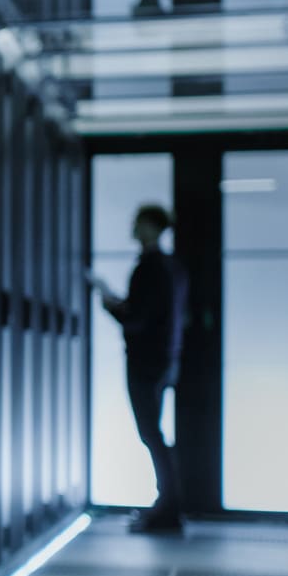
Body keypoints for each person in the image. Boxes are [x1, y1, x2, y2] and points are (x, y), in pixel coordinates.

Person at [102, 205, 189, 533]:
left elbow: (137, 319)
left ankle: (168, 508)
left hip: (145, 360)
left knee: (150, 433)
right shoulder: (172, 268)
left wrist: (112, 306)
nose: (132, 226)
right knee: (153, 433)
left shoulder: (149, 268)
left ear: (152, 227)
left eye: (138, 221)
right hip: (165, 359)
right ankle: (167, 505)